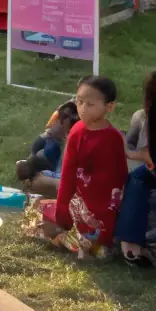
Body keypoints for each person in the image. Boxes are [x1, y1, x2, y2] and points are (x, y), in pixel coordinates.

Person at [38, 76, 128, 258]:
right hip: (76, 201)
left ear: (109, 107)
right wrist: (63, 207)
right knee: (41, 214)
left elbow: (119, 178)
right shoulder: (77, 132)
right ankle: (74, 237)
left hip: (101, 208)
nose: (83, 109)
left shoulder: (114, 138)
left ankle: (87, 241)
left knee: (95, 243)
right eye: (79, 102)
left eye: (90, 104)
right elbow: (68, 172)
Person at [116, 73, 155, 262]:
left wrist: (133, 154)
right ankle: (131, 245)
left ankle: (131, 245)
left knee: (137, 178)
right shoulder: (142, 117)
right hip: (147, 168)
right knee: (137, 178)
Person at [14, 99, 78, 192]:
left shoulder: (79, 134)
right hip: (59, 150)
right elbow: (47, 136)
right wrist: (31, 159)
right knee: (44, 152)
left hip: (73, 163)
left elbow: (66, 162)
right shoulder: (61, 123)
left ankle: (55, 178)